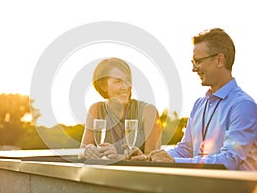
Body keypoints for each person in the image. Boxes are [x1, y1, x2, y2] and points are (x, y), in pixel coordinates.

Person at [130, 28, 257, 171]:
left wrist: (173, 161)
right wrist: (151, 158)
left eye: (198, 61)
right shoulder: (199, 104)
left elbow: (229, 160)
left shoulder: (243, 106)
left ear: (219, 60)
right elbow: (185, 149)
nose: (193, 69)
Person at [80, 57, 162, 159]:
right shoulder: (96, 109)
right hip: (106, 174)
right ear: (103, 86)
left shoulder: (149, 111)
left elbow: (153, 158)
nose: (125, 86)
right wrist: (88, 151)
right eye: (118, 81)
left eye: (127, 80)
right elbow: (81, 152)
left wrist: (118, 157)